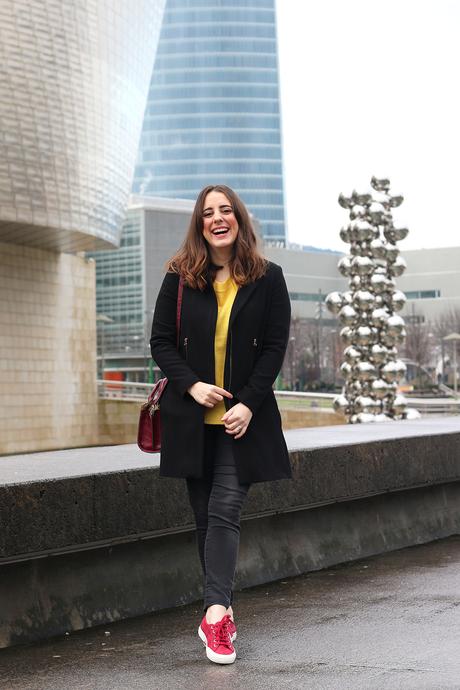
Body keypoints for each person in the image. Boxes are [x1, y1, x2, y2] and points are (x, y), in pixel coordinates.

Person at [150, 184, 292, 665]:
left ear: (238, 218)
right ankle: (221, 607)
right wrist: (192, 386)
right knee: (205, 518)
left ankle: (214, 616)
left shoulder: (268, 278)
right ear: (199, 222)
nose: (217, 218)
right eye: (208, 212)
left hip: (241, 421)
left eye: (225, 210)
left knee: (226, 508)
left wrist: (249, 403)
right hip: (191, 419)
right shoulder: (180, 276)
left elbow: (274, 348)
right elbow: (161, 343)